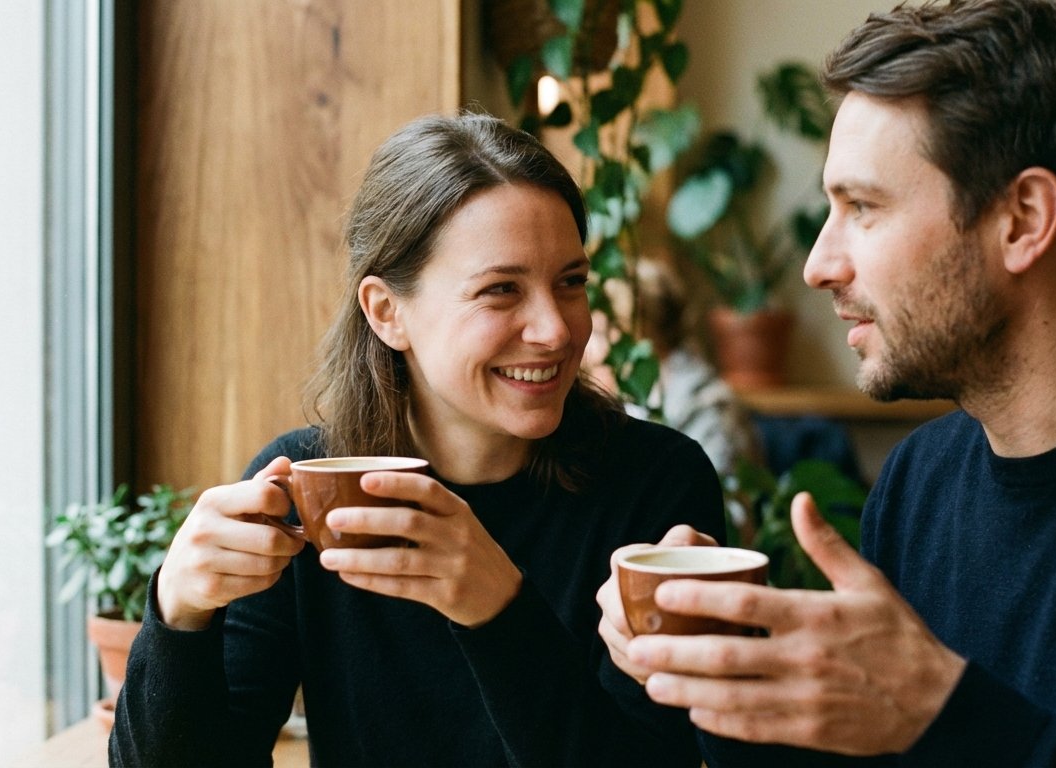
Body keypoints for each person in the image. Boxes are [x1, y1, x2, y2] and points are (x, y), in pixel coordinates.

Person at [596, 0, 1056, 764]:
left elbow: (941, 731)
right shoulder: (921, 481)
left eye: (862, 207)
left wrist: (940, 709)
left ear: (1024, 219)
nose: (818, 264)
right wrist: (725, 676)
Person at [110, 112, 727, 766]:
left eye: (570, 282)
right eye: (500, 291)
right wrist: (177, 612)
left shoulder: (658, 482)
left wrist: (497, 608)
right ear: (386, 312)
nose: (555, 329)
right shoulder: (308, 489)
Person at [583, 257, 763, 476]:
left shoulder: (707, 406)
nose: (589, 350)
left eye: (600, 333)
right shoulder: (628, 404)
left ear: (636, 334)